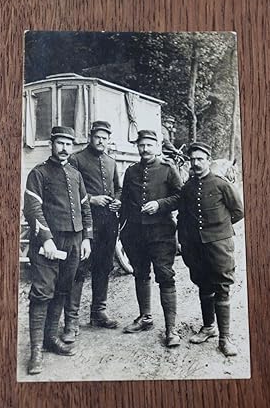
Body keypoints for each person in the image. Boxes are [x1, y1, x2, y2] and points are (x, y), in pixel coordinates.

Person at [23, 126, 92, 375]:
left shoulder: (75, 174)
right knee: (42, 292)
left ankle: (51, 338)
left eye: (68, 144)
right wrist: (46, 239)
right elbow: (32, 209)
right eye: (60, 143)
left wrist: (86, 238)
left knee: (63, 288)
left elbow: (85, 208)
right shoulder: (38, 174)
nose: (64, 148)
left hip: (74, 242)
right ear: (51, 144)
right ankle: (36, 353)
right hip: (48, 244)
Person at [177, 141, 244, 356]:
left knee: (222, 286)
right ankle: (208, 328)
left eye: (200, 159)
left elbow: (238, 211)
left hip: (219, 245)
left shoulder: (221, 184)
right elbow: (184, 215)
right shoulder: (187, 187)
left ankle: (225, 338)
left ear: (208, 160)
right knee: (203, 285)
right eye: (193, 159)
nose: (196, 163)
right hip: (195, 246)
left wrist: (219, 229)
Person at [120, 130, 183, 347]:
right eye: (141, 145)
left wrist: (159, 205)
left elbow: (180, 197)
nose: (144, 149)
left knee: (165, 276)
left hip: (161, 233)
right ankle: (145, 317)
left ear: (156, 146)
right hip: (136, 233)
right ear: (137, 147)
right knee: (140, 273)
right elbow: (125, 198)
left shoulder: (168, 169)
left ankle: (171, 329)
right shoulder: (131, 171)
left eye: (148, 145)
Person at [62, 120, 121, 342]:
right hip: (85, 225)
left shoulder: (111, 162)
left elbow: (119, 189)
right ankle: (72, 320)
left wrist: (117, 201)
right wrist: (92, 199)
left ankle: (98, 313)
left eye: (105, 137)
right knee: (79, 269)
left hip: (108, 225)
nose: (101, 140)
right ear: (90, 136)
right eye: (98, 136)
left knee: (104, 266)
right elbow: (69, 191)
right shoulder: (76, 159)